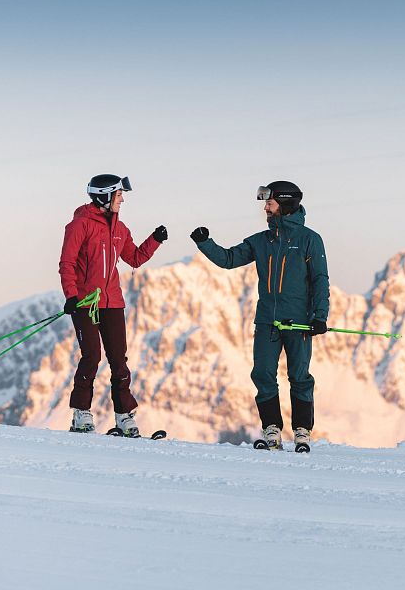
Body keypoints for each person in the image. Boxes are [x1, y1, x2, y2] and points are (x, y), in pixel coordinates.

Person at [190, 181, 329, 450]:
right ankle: (271, 429)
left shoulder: (310, 240)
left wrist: (319, 316)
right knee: (263, 374)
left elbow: (320, 279)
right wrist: (205, 242)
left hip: (299, 322)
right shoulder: (261, 241)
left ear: (285, 204)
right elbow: (229, 259)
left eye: (270, 202)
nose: (265, 207)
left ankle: (302, 430)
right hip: (267, 321)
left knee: (299, 376)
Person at [59, 174, 168, 435]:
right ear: (104, 196)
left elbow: (135, 258)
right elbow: (67, 263)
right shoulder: (80, 225)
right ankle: (81, 414)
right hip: (86, 303)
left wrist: (155, 239)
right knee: (92, 357)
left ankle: (123, 416)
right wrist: (72, 296)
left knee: (119, 361)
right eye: (119, 195)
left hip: (113, 303)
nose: (122, 200)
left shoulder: (120, 229)